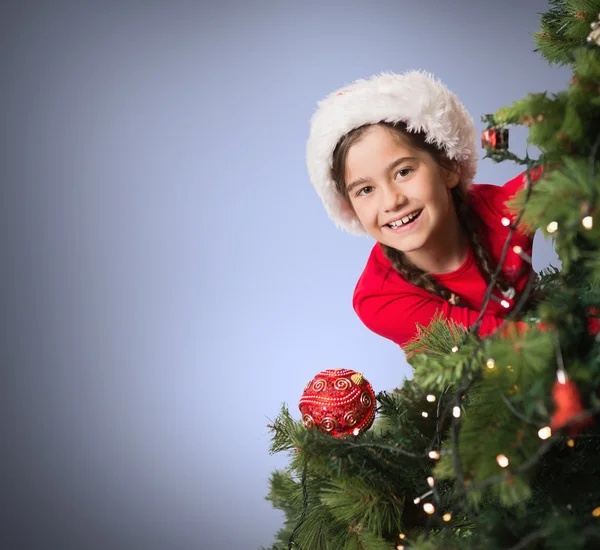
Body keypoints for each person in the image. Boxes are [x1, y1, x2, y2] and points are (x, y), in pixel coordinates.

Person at [306, 71, 543, 350]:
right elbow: (500, 341)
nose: (391, 201)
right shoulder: (379, 299)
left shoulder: (498, 209)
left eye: (403, 172)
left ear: (449, 168)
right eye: (366, 190)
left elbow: (571, 173)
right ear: (350, 208)